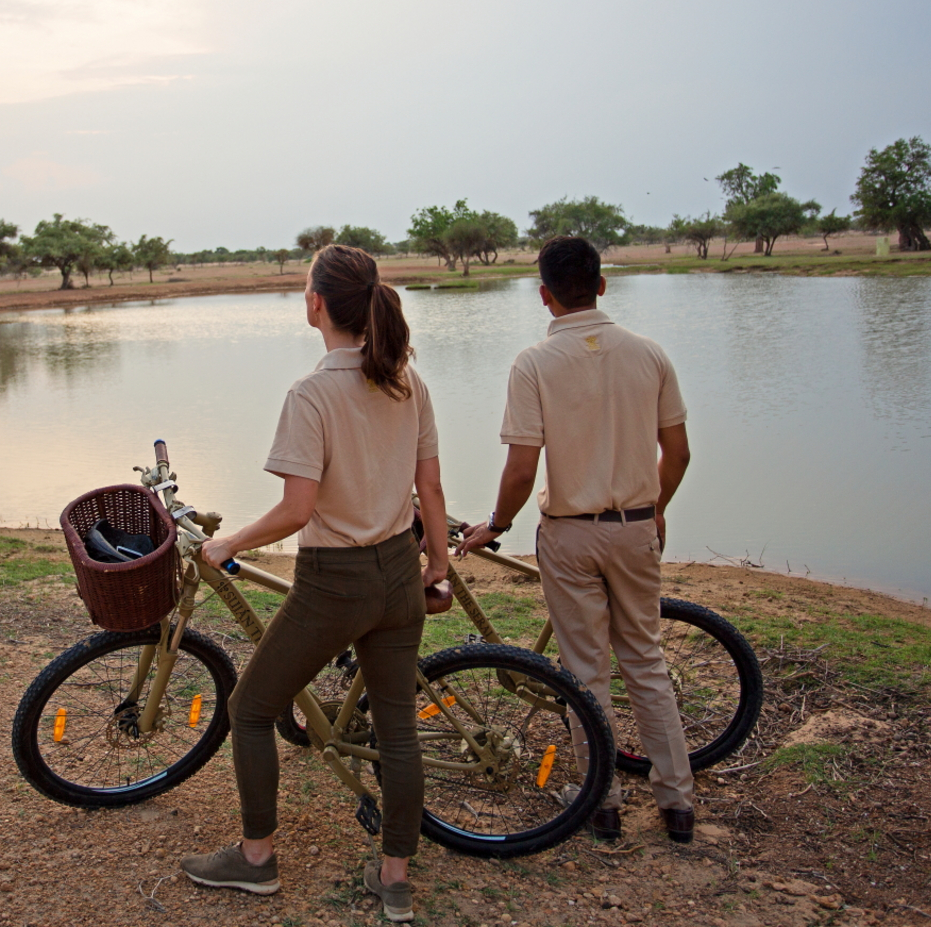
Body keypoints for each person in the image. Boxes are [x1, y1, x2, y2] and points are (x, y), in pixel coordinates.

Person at [181, 244, 451, 922]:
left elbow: (299, 510)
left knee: (248, 708)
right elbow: (431, 488)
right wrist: (438, 565)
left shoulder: (311, 394)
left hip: (336, 580)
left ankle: (256, 859)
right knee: (397, 728)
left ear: (318, 304)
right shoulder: (406, 381)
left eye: (307, 288)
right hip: (398, 570)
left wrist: (229, 542)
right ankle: (393, 877)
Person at [457, 235, 696, 844]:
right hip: (637, 526)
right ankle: (677, 802)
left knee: (584, 669)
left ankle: (603, 800)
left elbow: (521, 468)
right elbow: (679, 452)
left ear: (544, 295)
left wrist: (498, 525)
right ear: (603, 284)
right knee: (646, 659)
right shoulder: (650, 354)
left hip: (569, 534)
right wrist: (655, 508)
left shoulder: (534, 364)